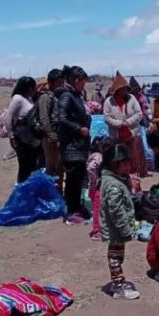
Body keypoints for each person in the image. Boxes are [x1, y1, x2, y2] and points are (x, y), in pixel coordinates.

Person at [100, 143, 139, 300]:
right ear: (115, 165)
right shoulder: (113, 185)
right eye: (125, 164)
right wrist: (125, 229)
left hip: (117, 229)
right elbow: (116, 211)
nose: (128, 166)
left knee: (117, 255)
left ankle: (118, 282)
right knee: (115, 257)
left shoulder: (117, 180)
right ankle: (118, 286)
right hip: (116, 229)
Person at [58, 65, 91, 224]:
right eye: (82, 81)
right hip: (72, 147)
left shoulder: (77, 95)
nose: (84, 85)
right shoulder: (67, 96)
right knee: (72, 180)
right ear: (76, 80)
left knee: (78, 179)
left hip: (79, 146)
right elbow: (61, 119)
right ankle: (70, 211)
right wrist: (79, 129)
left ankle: (76, 207)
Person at [104, 72, 148, 177]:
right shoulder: (108, 102)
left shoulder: (132, 98)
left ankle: (135, 181)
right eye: (122, 89)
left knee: (133, 160)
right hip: (117, 137)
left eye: (125, 88)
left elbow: (139, 114)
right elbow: (107, 118)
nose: (125, 91)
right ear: (117, 90)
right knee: (120, 161)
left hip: (132, 135)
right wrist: (120, 124)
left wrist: (128, 122)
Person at [4, 76, 41, 184]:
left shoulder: (29, 98)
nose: (34, 90)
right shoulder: (18, 98)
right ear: (28, 88)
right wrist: (11, 136)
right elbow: (8, 118)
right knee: (25, 166)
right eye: (33, 88)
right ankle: (22, 189)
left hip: (30, 138)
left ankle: (30, 188)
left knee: (32, 165)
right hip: (22, 137)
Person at [37, 68, 65, 178]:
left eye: (62, 82)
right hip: (50, 138)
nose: (61, 85)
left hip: (58, 137)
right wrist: (53, 138)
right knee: (52, 168)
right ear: (50, 83)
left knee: (59, 168)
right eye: (59, 83)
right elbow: (44, 120)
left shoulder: (58, 96)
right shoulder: (45, 98)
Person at [87, 136, 109, 240]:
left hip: (95, 188)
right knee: (98, 210)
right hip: (96, 188)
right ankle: (97, 232)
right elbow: (91, 168)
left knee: (100, 210)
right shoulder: (98, 156)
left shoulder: (95, 155)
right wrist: (94, 181)